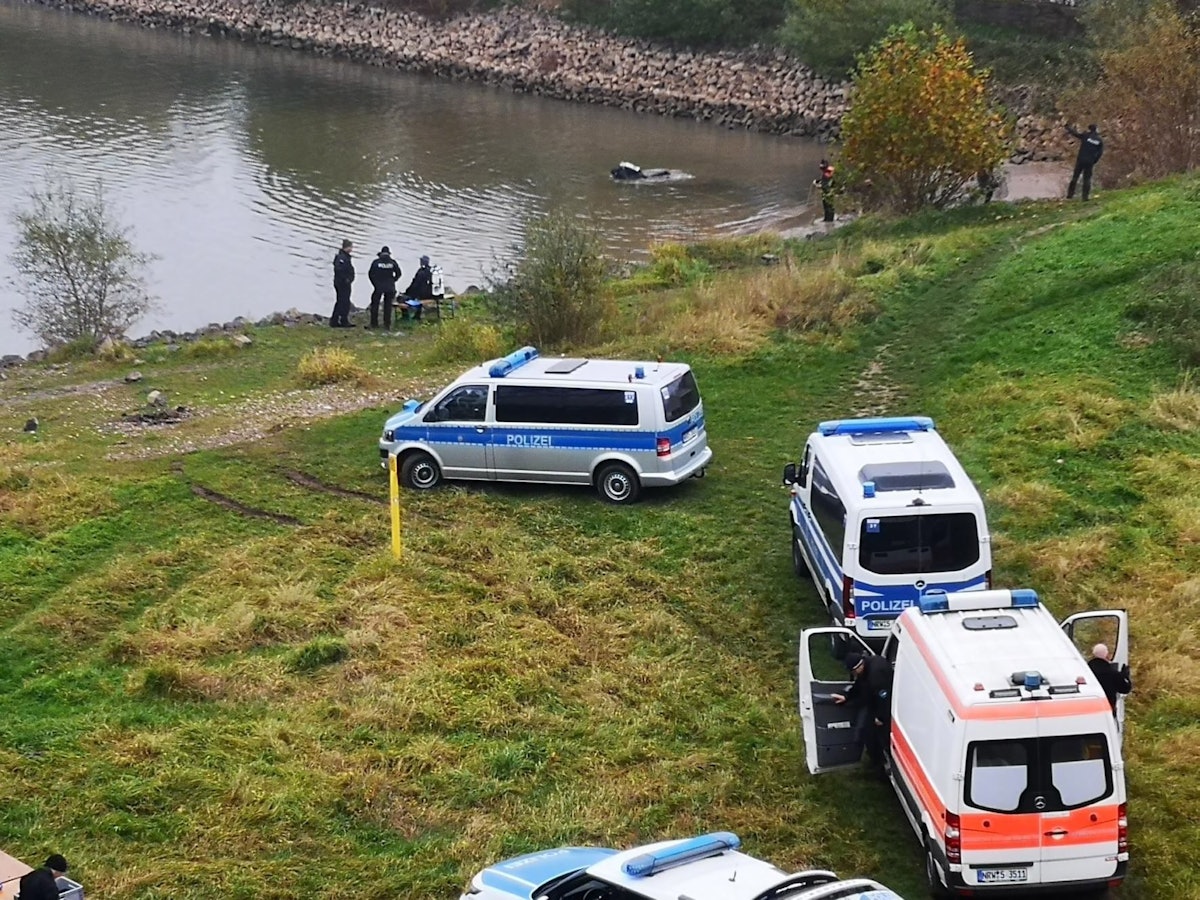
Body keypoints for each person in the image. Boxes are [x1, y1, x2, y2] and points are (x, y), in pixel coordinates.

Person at [832, 651, 893, 771]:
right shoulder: (866, 667)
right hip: (875, 702)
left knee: (877, 736)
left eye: (854, 672)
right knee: (868, 733)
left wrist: (880, 717)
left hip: (884, 707)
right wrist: (847, 696)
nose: (853, 674)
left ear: (859, 666)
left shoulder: (876, 675)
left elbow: (884, 698)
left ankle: (882, 765)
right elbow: (859, 684)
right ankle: (878, 761)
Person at [1088, 643, 1132, 715]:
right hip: (1107, 709)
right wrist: (1125, 676)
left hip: (1089, 708)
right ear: (1107, 655)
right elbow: (1125, 689)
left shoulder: (1086, 670)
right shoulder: (1112, 673)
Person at [367, 246, 402, 330]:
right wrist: (393, 281)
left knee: (375, 304)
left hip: (379, 286)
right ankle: (387, 324)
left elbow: (371, 274)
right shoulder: (392, 263)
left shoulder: (376, 262)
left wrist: (375, 284)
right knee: (388, 306)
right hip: (390, 287)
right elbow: (399, 273)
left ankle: (374, 324)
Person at [1066, 123, 1104, 201]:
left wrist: (1068, 128)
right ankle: (1085, 197)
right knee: (1087, 179)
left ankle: (1070, 195)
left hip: (1081, 160)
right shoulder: (1099, 140)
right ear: (1096, 129)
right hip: (1090, 161)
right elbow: (1100, 153)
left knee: (1075, 177)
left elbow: (1075, 134)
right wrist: (1094, 161)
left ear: (1089, 129)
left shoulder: (1085, 136)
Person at [401, 254, 435, 321]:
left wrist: (406, 292)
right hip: (430, 293)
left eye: (421, 261)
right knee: (417, 297)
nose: (420, 262)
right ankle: (417, 315)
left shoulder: (421, 272)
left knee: (403, 299)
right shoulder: (431, 271)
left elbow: (415, 284)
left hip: (422, 294)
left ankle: (406, 317)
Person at [330, 239, 355, 328]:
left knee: (343, 301)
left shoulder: (345, 257)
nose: (352, 249)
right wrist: (346, 279)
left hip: (344, 283)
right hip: (342, 283)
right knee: (343, 301)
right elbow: (339, 269)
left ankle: (339, 320)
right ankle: (338, 320)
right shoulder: (341, 258)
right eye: (351, 247)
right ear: (347, 247)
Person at [814, 159, 835, 223]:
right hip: (828, 192)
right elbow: (824, 180)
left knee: (828, 206)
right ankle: (827, 219)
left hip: (827, 192)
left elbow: (826, 184)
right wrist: (818, 181)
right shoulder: (828, 172)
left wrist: (818, 186)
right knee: (828, 206)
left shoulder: (826, 173)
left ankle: (829, 220)